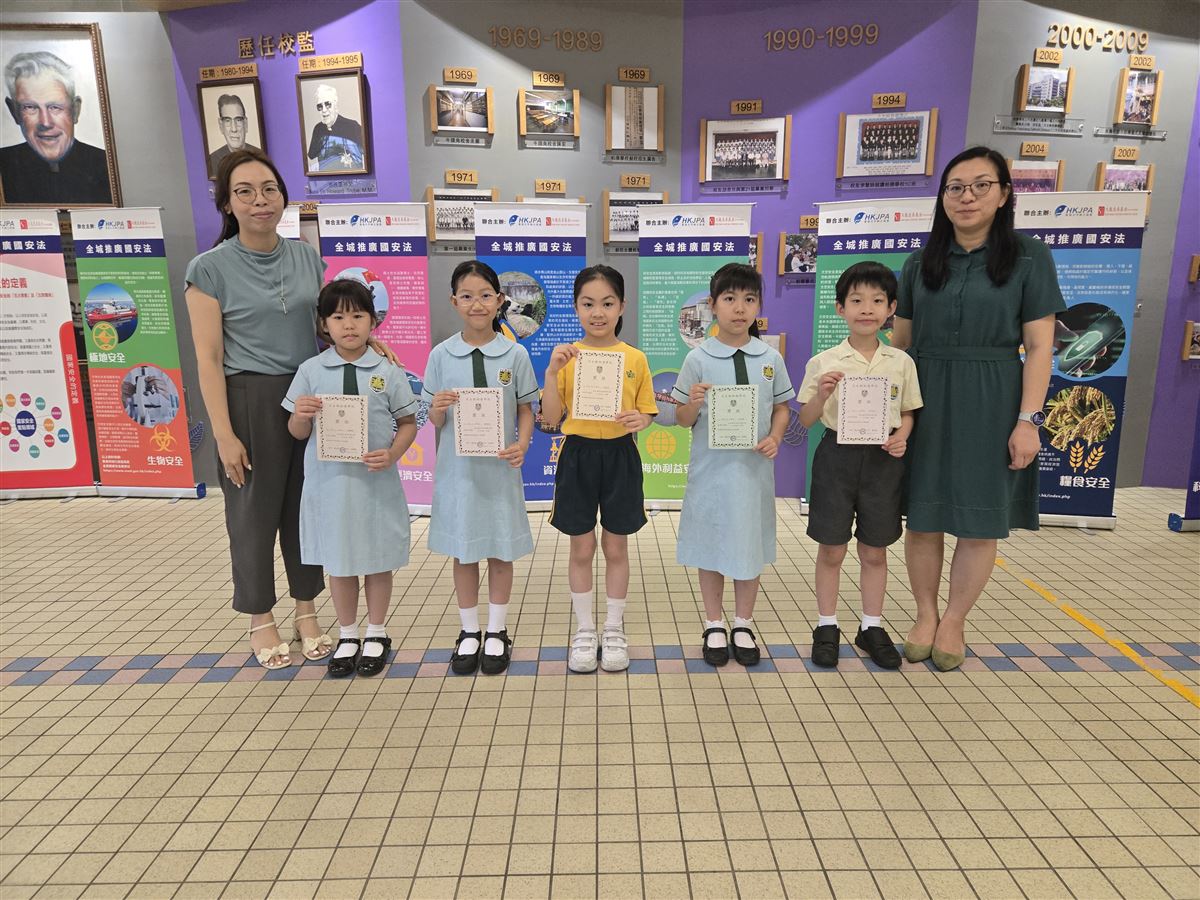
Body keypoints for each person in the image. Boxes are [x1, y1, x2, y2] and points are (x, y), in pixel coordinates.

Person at [185, 148, 390, 669]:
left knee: (306, 507)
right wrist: (224, 435)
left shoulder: (306, 256)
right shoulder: (207, 269)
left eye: (269, 189)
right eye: (244, 192)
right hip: (248, 399)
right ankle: (260, 616)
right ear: (227, 203)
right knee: (252, 514)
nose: (260, 201)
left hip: (310, 396)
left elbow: (329, 325)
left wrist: (371, 344)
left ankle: (306, 610)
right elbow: (208, 359)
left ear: (283, 197)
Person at [891, 146, 1064, 671]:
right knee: (923, 517)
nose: (966, 197)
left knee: (979, 522)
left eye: (980, 185)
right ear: (942, 197)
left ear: (1004, 194)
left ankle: (954, 620)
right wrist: (891, 411)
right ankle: (925, 614)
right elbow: (900, 345)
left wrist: (1028, 421)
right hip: (924, 397)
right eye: (955, 187)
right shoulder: (920, 262)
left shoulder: (1029, 256)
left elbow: (1040, 347)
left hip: (993, 399)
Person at [283, 279, 418, 677]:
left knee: (377, 560)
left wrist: (392, 454)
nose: (349, 325)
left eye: (358, 315)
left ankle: (376, 632)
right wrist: (300, 415)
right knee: (339, 563)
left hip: (374, 484)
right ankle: (347, 634)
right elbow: (297, 433)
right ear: (324, 324)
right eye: (338, 317)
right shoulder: (310, 371)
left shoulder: (387, 371)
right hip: (330, 487)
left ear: (373, 321)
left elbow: (408, 423)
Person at [797, 261, 923, 670]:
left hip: (883, 460)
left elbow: (908, 412)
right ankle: (826, 625)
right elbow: (805, 420)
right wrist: (822, 394)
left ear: (891, 308)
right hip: (837, 457)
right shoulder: (824, 361)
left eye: (877, 300)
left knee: (874, 549)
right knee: (831, 548)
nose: (866, 309)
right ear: (840, 308)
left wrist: (903, 436)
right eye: (856, 300)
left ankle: (871, 626)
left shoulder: (900, 362)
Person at [672, 263, 794, 667]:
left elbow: (782, 407)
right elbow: (681, 419)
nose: (739, 308)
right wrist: (692, 401)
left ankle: (743, 623)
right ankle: (713, 624)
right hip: (711, 473)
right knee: (711, 546)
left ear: (758, 305)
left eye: (749, 299)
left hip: (753, 473)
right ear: (713, 305)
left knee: (748, 545)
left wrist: (776, 436)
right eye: (729, 299)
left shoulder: (770, 357)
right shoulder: (698, 358)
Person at [540, 265, 657, 673]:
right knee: (581, 547)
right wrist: (551, 372)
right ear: (576, 307)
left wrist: (642, 420)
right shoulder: (567, 358)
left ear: (622, 306)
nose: (598, 313)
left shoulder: (635, 358)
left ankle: (613, 627)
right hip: (578, 455)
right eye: (588, 304)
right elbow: (550, 418)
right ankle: (585, 630)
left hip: (621, 455)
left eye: (607, 303)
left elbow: (647, 412)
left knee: (616, 546)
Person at [424, 261, 537, 676]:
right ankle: (469, 630)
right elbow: (432, 419)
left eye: (486, 295)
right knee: (465, 550)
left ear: (500, 300)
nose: (477, 304)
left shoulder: (514, 353)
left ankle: (496, 630)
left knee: (500, 550)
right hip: (459, 474)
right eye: (467, 296)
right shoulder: (440, 355)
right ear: (454, 301)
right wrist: (438, 408)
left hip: (499, 470)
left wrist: (522, 444)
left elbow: (525, 408)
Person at [1, 50, 112, 204]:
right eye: (30, 107)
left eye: (55, 107)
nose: (45, 122)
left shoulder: (106, 166)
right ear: (14, 112)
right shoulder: (4, 164)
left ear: (75, 110)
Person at [306, 83, 364, 172]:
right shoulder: (318, 129)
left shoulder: (353, 126)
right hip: (326, 178)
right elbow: (311, 156)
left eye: (328, 104)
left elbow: (369, 155)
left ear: (335, 105)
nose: (324, 110)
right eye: (320, 106)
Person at [207, 93, 260, 177]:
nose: (234, 129)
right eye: (227, 121)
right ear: (221, 125)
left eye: (238, 120)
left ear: (245, 124)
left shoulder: (259, 156)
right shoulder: (213, 160)